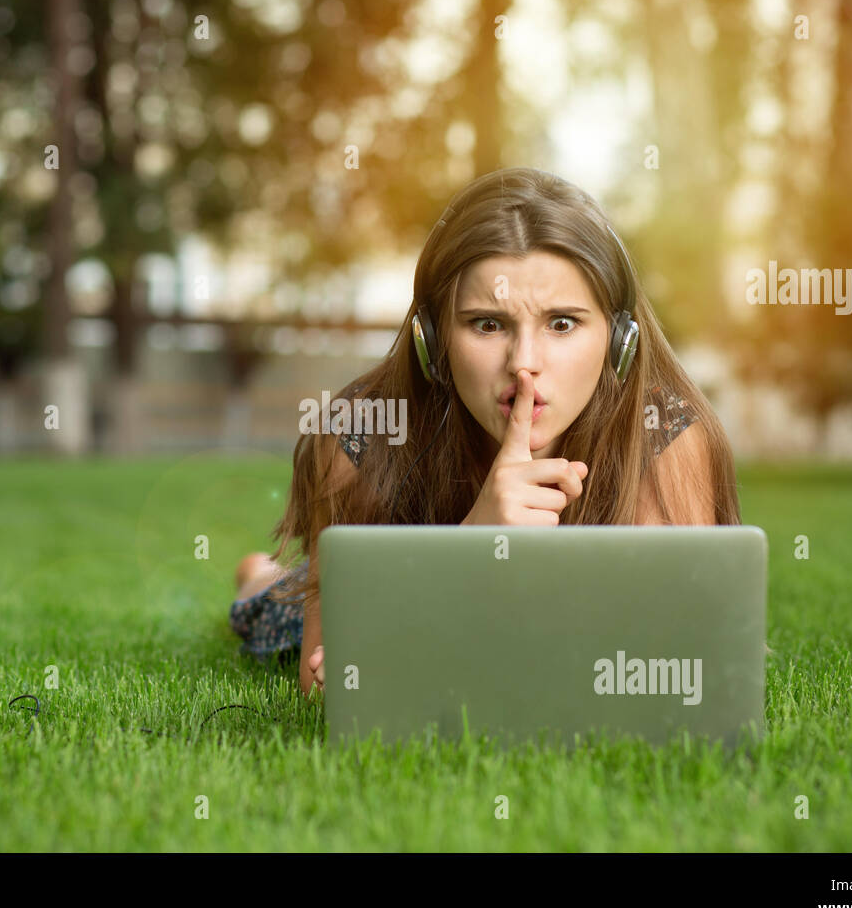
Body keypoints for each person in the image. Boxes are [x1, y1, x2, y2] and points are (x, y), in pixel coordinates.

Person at [230, 167, 742, 700]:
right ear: (433, 341)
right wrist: (475, 543)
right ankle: (261, 577)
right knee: (274, 609)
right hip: (395, 594)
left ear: (619, 342)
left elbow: (670, 664)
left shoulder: (665, 439)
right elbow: (323, 689)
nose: (524, 364)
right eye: (487, 324)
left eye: (562, 323)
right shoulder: (360, 438)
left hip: (416, 617)